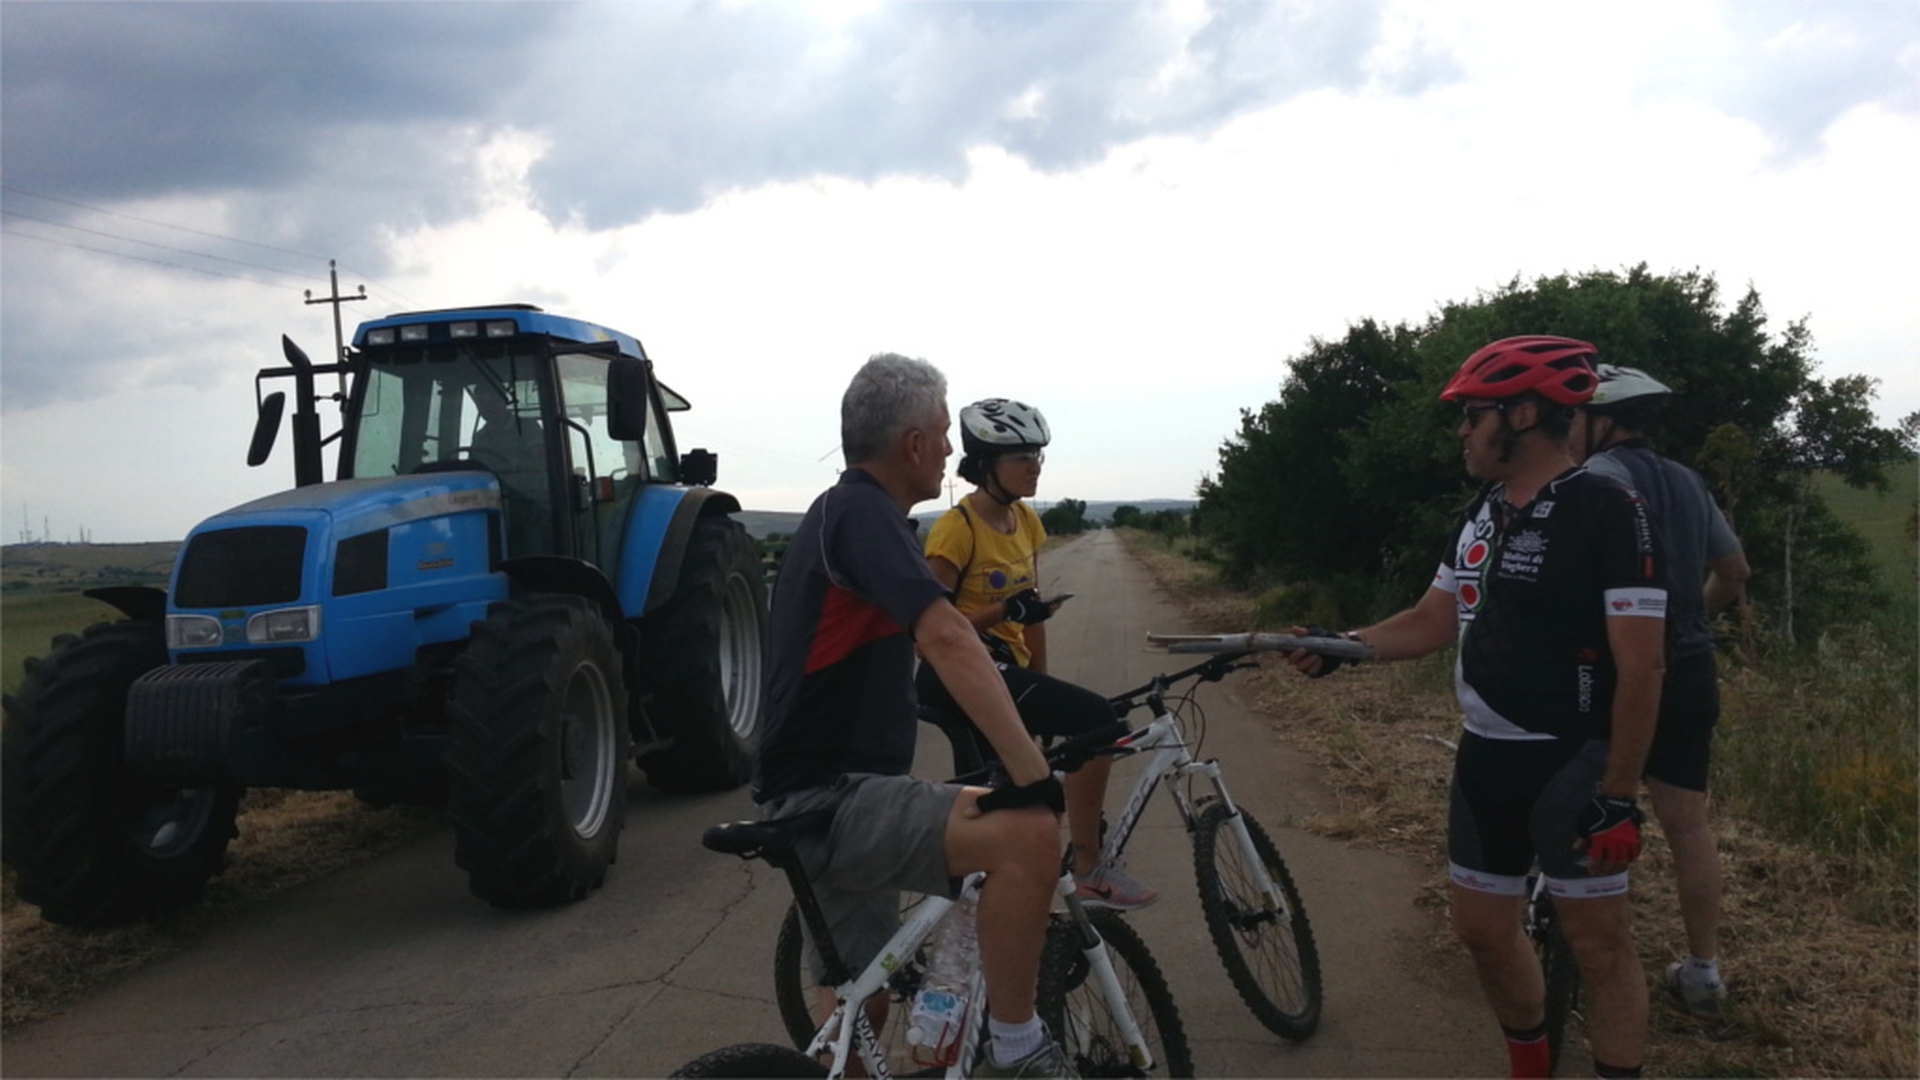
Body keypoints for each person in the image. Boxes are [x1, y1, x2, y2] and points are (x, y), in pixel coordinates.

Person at [1285, 335, 1667, 1079]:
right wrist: (1343, 646)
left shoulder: (1608, 508)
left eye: (1473, 415)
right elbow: (1432, 620)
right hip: (1486, 754)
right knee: (1483, 931)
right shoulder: (1482, 511)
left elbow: (1643, 664)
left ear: (1522, 414)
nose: (1462, 431)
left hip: (1574, 759)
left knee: (1599, 947)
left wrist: (1620, 795)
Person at [754, 353, 1077, 1078]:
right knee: (1029, 832)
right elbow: (946, 636)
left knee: (860, 1007)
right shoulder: (864, 513)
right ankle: (1017, 1046)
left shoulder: (842, 514)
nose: (949, 449)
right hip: (835, 797)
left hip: (811, 792)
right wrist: (1031, 770)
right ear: (913, 444)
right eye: (941, 433)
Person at [916, 398, 1156, 910]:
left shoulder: (1025, 520)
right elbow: (928, 631)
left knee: (1010, 805)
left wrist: (1040, 681)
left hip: (1003, 669)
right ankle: (1088, 868)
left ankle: (983, 914)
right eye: (1021, 457)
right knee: (1098, 720)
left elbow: (1032, 615)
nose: (1035, 467)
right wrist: (1004, 609)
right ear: (986, 464)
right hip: (957, 674)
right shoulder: (957, 529)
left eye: (1038, 456)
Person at [1574, 363, 1751, 1020]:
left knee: (1591, 805)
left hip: (1617, 671)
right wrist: (1692, 620)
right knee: (1688, 824)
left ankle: (1590, 956)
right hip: (1692, 666)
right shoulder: (1687, 480)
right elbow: (1734, 571)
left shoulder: (1593, 479)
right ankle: (1704, 973)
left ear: (1600, 421)